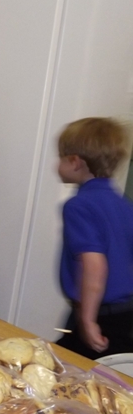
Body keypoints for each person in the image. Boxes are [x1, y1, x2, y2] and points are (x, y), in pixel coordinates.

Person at [53, 117, 133, 359]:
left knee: (60, 368)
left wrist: (88, 321)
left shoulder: (79, 206)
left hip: (100, 315)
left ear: (75, 162)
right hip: (126, 314)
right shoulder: (124, 204)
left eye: (61, 157)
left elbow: (94, 266)